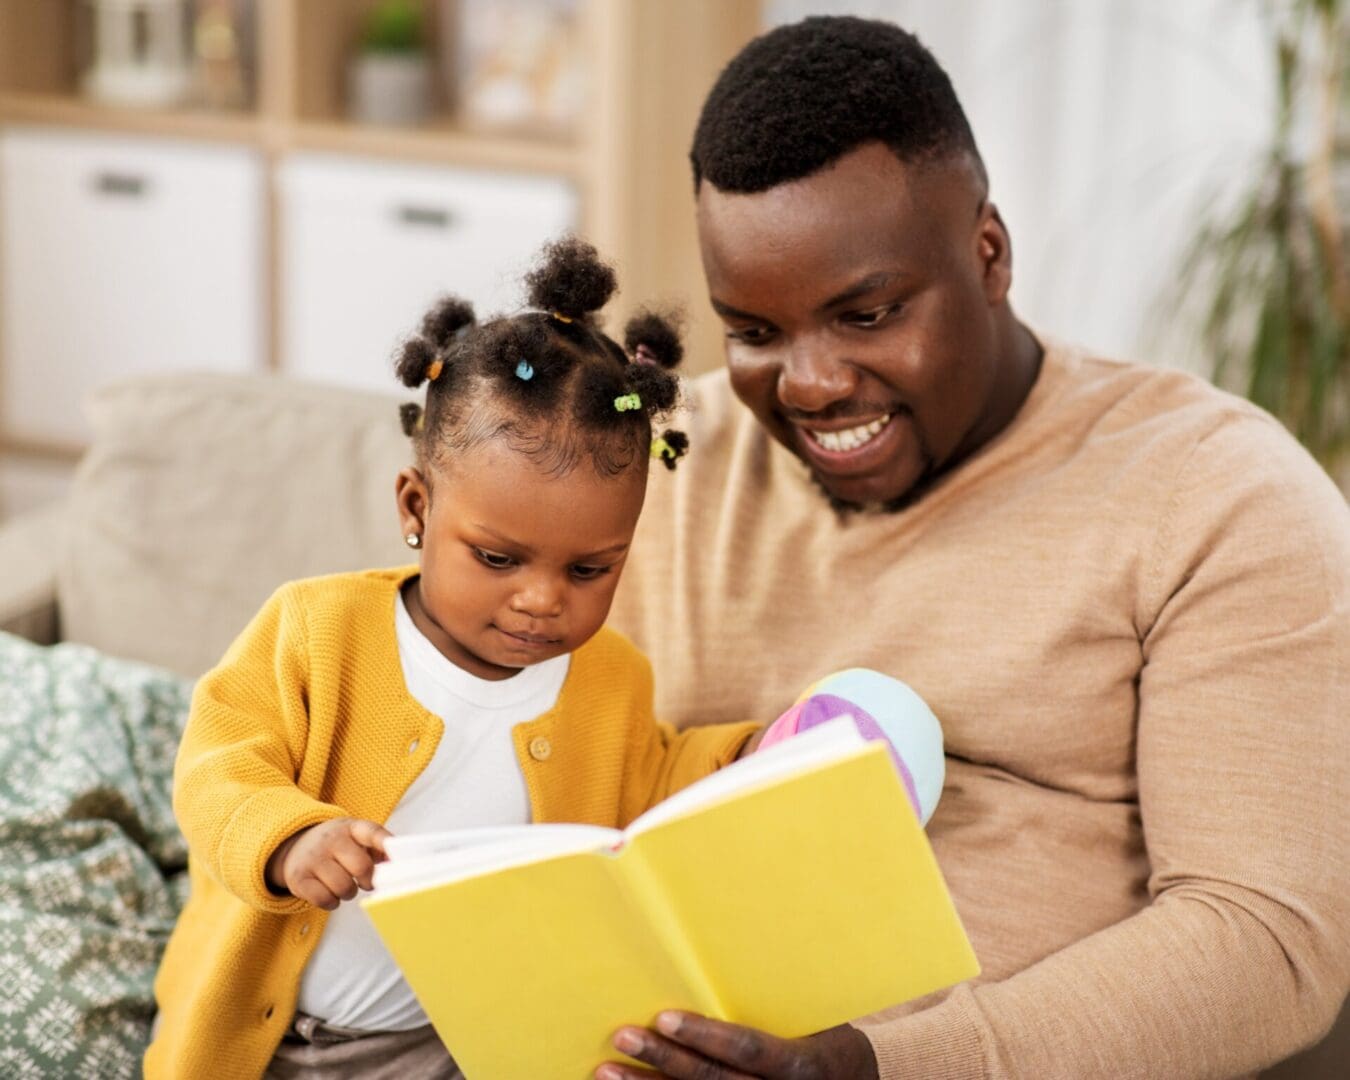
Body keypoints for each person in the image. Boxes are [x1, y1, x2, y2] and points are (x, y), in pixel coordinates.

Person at [599, 15, 1350, 1080]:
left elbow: (1269, 941)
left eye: (866, 313)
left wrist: (871, 1068)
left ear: (988, 254)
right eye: (756, 332)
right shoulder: (662, 462)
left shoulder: (1218, 494)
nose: (809, 384)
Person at [146, 237, 762, 1080]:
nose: (543, 600)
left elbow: (653, 782)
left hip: (461, 1042)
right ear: (416, 506)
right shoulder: (317, 630)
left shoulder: (613, 679)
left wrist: (750, 756)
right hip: (277, 1037)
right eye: (499, 559)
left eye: (589, 570)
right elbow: (215, 771)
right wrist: (291, 840)